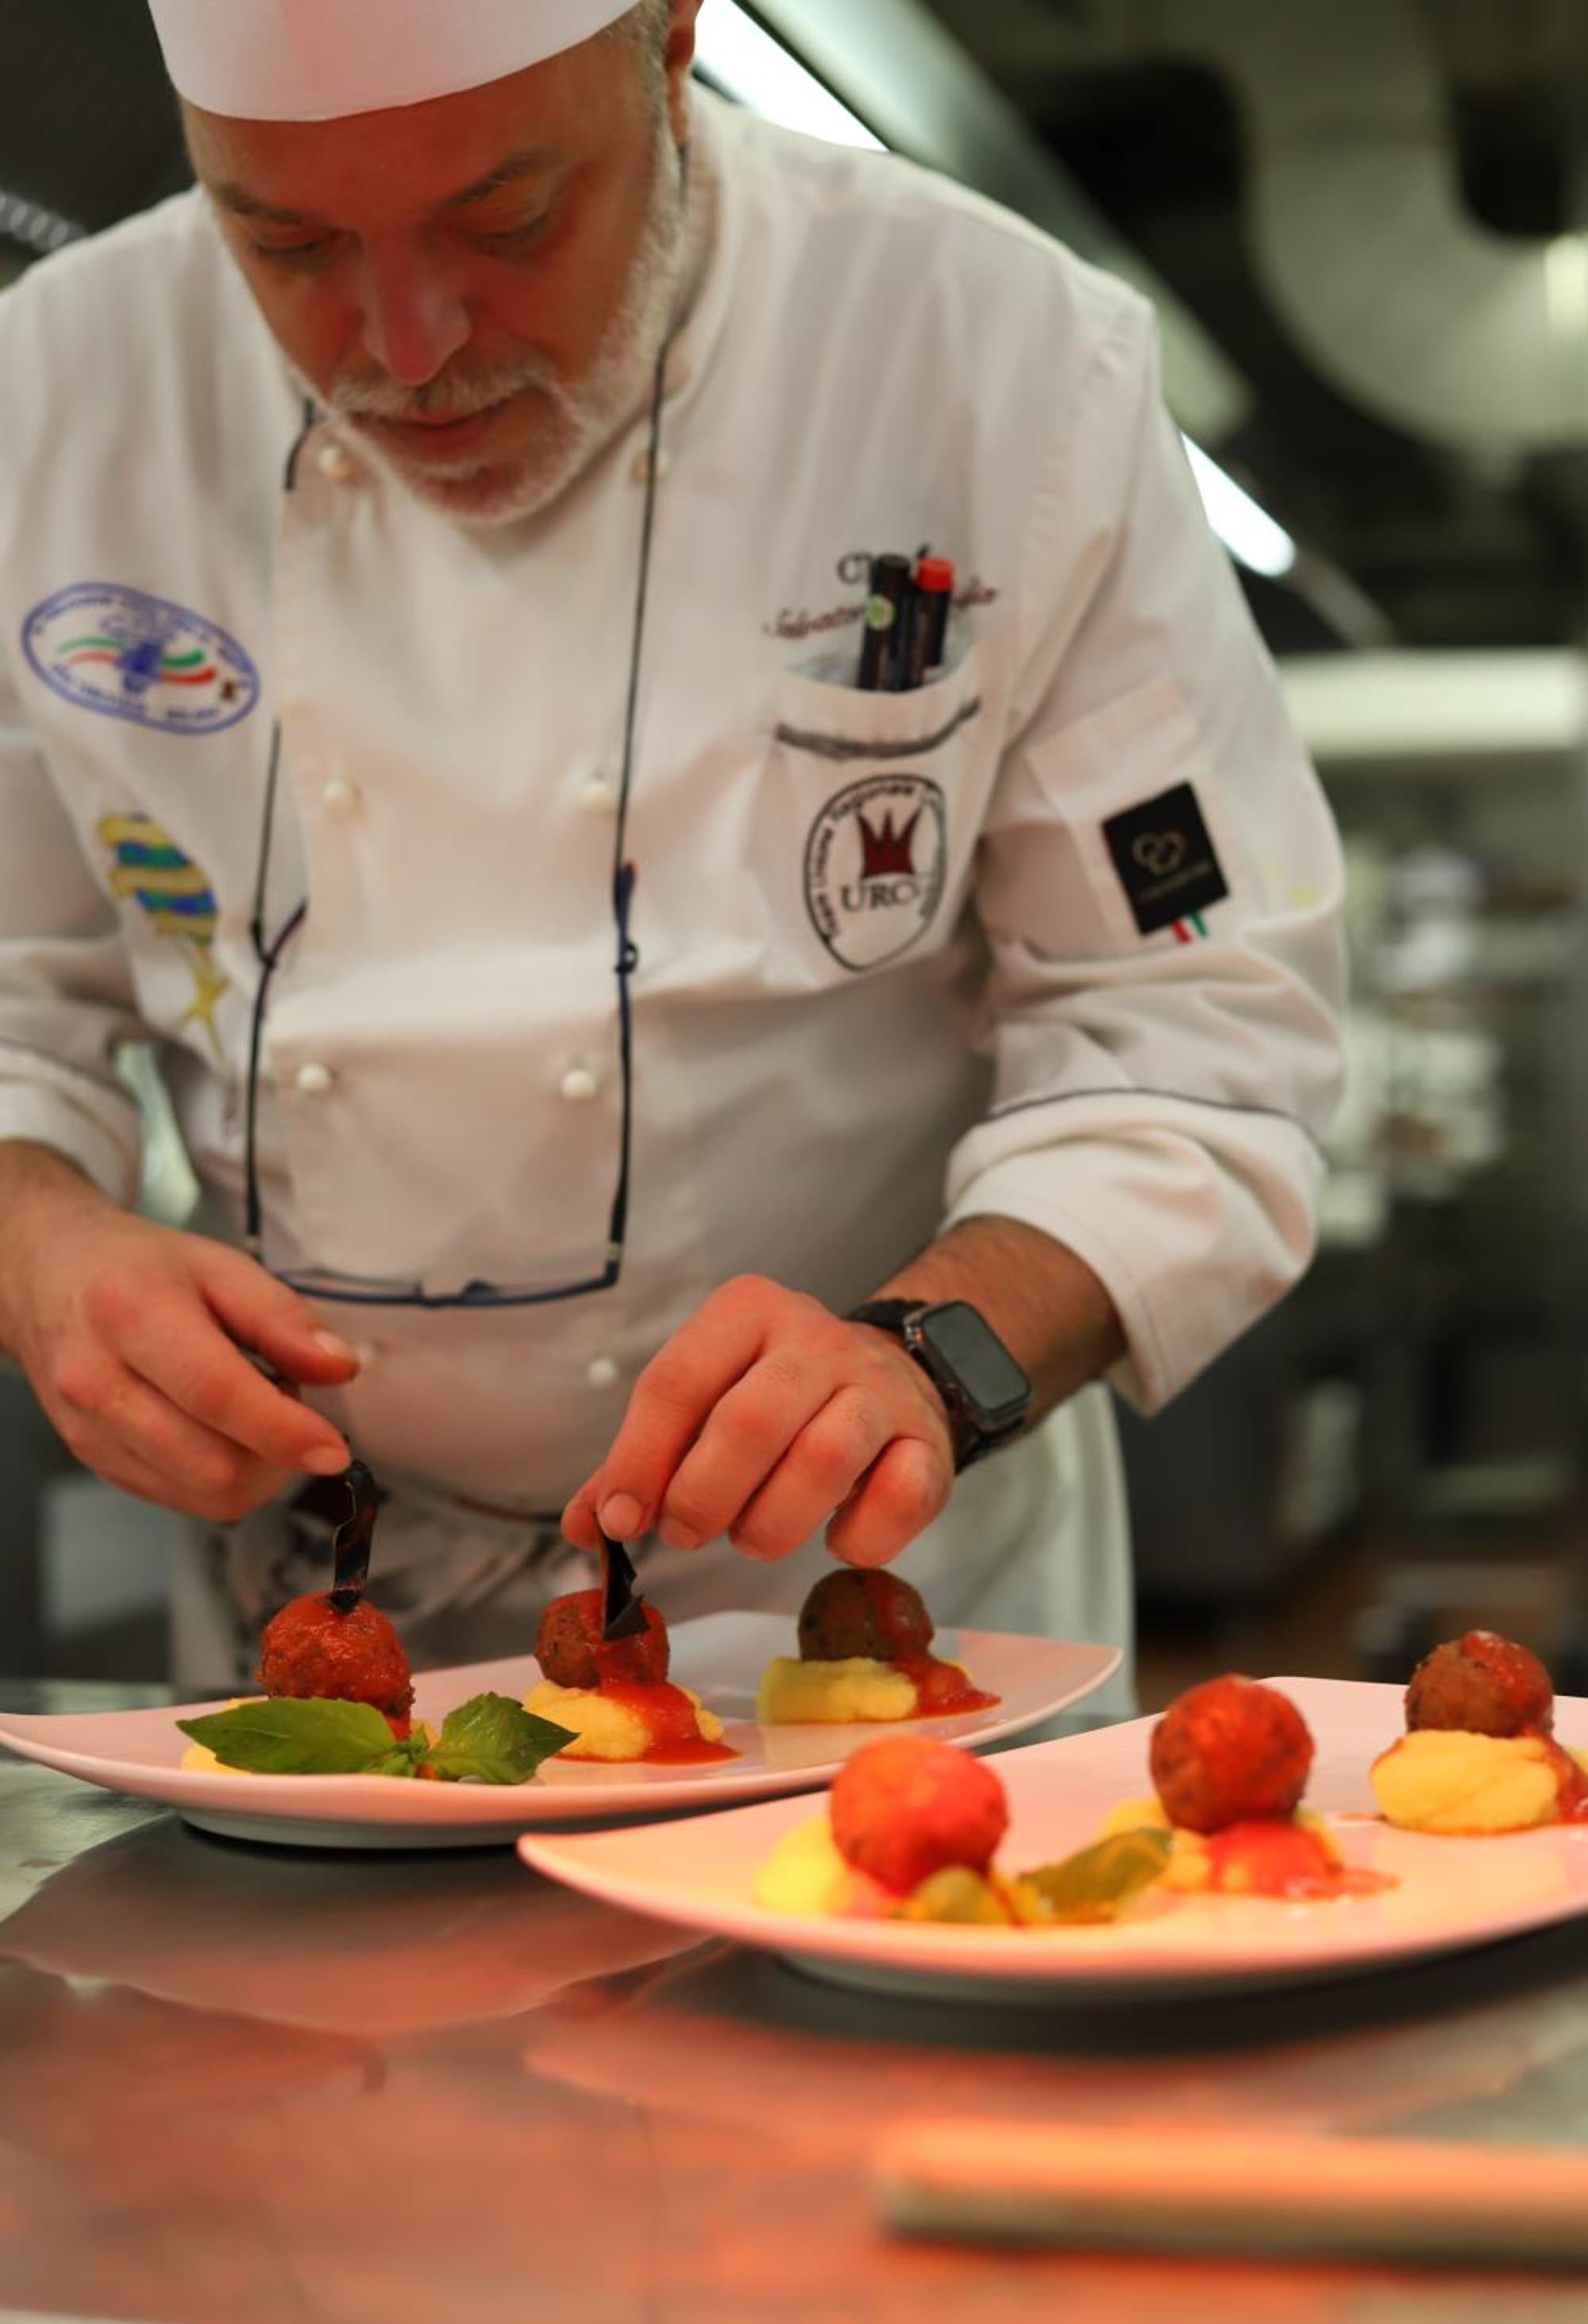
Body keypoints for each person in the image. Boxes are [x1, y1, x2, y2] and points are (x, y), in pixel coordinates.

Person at [0, 0, 1345, 1698]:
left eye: (506, 221)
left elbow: (1196, 1035)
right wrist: (40, 1248)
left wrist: (926, 1358)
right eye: (288, 243)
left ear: (669, 45)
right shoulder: (53, 390)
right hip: (326, 1613)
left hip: (858, 1592)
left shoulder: (996, 359)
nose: (405, 347)